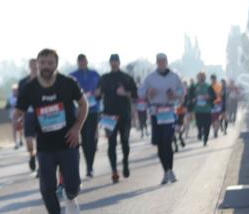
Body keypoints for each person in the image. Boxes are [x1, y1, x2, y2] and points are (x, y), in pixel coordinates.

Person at [14, 49, 88, 214]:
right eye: (43, 62)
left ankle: (70, 197)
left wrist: (76, 128)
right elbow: (18, 111)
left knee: (73, 185)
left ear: (56, 64)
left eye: (50, 62)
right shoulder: (29, 88)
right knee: (47, 186)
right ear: (37, 64)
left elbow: (83, 104)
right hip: (45, 145)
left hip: (68, 141)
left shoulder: (67, 83)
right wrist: (17, 121)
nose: (46, 66)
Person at [141, 54, 186, 184]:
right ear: (156, 62)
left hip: (169, 111)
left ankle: (170, 170)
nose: (161, 63)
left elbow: (182, 91)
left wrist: (175, 94)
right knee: (160, 144)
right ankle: (166, 171)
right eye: (159, 61)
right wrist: (148, 92)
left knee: (168, 142)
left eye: (163, 61)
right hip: (156, 112)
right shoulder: (150, 78)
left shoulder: (174, 76)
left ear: (167, 62)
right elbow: (140, 92)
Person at [97, 54, 138, 183]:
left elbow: (135, 95)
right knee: (111, 144)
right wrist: (97, 94)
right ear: (109, 63)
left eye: (116, 61)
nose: (114, 63)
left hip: (124, 115)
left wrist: (125, 93)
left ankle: (125, 162)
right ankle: (114, 170)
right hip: (109, 115)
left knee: (125, 141)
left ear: (119, 63)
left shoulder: (126, 78)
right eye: (112, 61)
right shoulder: (104, 78)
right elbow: (98, 96)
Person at [69, 54, 101, 177]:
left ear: (87, 61)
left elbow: (101, 89)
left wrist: (98, 93)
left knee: (91, 138)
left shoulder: (94, 74)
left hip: (93, 109)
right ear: (78, 62)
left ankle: (90, 166)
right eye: (80, 61)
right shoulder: (73, 76)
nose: (82, 63)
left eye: (84, 61)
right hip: (79, 111)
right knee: (84, 138)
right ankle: (88, 165)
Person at [17, 58, 39, 174]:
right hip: (28, 115)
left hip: (41, 115)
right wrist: (20, 116)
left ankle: (41, 166)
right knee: (30, 142)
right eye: (32, 65)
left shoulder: (44, 80)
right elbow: (20, 101)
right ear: (29, 66)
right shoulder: (23, 82)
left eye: (36, 64)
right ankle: (32, 156)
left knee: (41, 142)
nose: (34, 66)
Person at [187, 71, 216, 147]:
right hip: (198, 109)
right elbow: (189, 96)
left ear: (205, 78)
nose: (201, 78)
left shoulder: (208, 86)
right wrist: (193, 99)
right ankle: (200, 132)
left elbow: (214, 96)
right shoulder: (194, 86)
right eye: (200, 76)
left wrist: (209, 97)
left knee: (207, 125)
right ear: (197, 77)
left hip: (207, 109)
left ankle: (205, 139)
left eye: (203, 76)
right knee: (199, 124)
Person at [8, 84, 24, 149]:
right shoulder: (10, 98)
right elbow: (8, 106)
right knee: (14, 128)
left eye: (16, 90)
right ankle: (16, 143)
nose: (15, 91)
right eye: (14, 90)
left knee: (20, 128)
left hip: (20, 114)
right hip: (13, 115)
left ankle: (20, 139)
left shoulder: (21, 96)